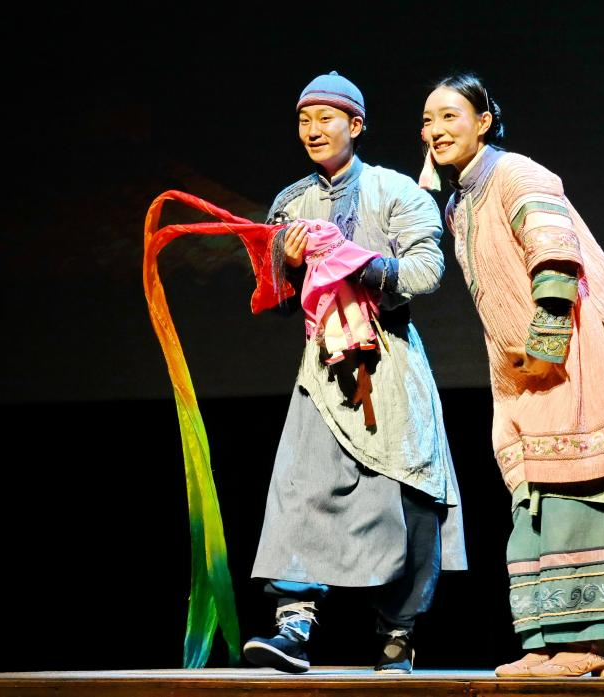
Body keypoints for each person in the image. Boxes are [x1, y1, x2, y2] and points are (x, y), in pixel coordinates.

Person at [420, 73, 604, 677]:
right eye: (427, 120)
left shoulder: (518, 174)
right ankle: (548, 642)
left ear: (483, 122)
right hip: (529, 371)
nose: (435, 130)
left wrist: (547, 348)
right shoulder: (460, 202)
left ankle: (592, 646)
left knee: (583, 492)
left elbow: (555, 259)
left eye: (449, 116)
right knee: (537, 501)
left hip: (579, 347)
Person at [243, 71, 466, 675]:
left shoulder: (396, 191)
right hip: (323, 368)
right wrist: (287, 265)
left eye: (326, 118)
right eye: (304, 120)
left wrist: (352, 262)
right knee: (302, 489)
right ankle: (293, 625)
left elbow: (425, 272)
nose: (313, 130)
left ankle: (398, 632)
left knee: (408, 493)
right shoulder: (290, 204)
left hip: (389, 363)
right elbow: (273, 297)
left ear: (357, 125)